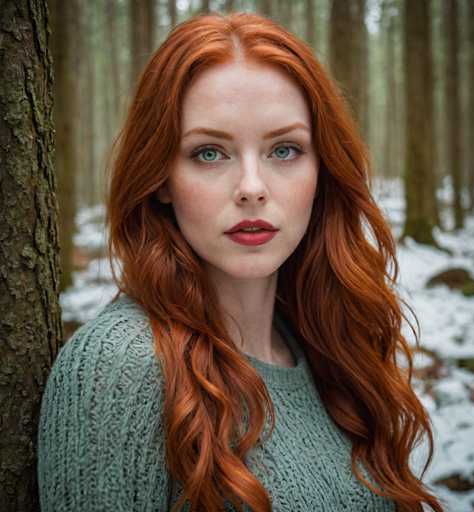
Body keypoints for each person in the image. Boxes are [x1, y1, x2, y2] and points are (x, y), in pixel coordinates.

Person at [37, 11, 444, 512]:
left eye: (285, 149)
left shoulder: (326, 344)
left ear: (323, 171)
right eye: (209, 153)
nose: (252, 187)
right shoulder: (118, 368)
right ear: (161, 178)